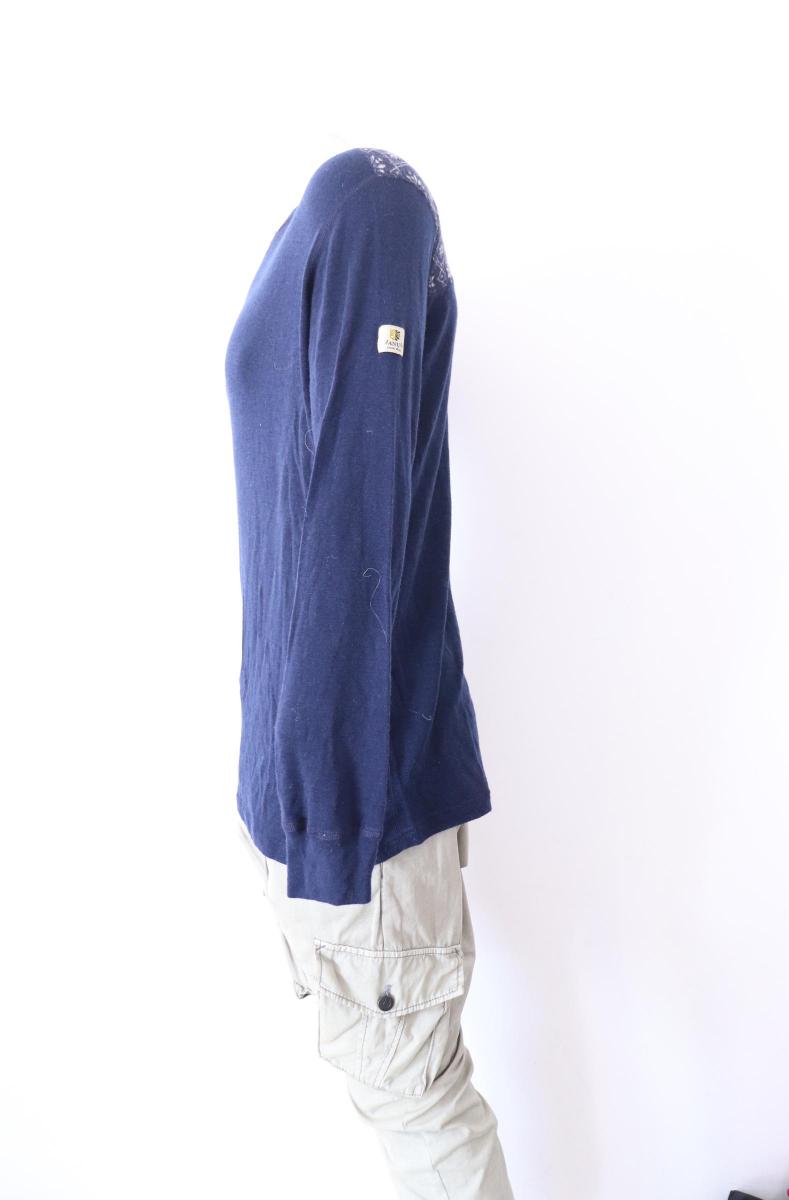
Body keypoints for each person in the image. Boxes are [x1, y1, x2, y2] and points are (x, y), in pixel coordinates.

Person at [225, 146, 515, 1198]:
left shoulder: (373, 210)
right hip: (309, 786)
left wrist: (331, 817)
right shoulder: (327, 219)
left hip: (354, 801)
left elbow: (355, 516)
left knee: (421, 1112)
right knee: (405, 1106)